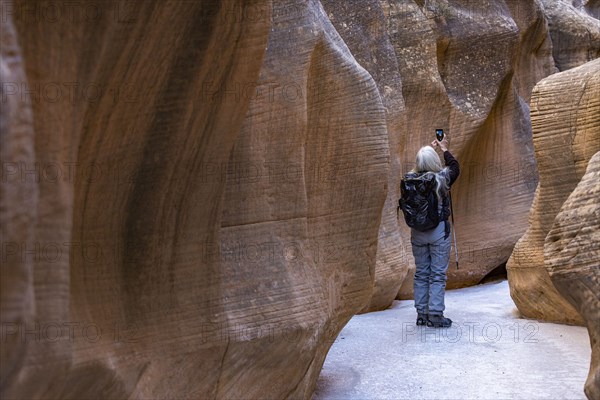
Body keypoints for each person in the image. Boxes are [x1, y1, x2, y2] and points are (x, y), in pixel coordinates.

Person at [409, 135, 459, 328]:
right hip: (438, 232)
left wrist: (428, 151)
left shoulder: (409, 180)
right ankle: (435, 315)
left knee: (421, 273)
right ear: (434, 162)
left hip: (417, 233)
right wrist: (443, 148)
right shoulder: (441, 179)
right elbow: (455, 167)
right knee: (437, 274)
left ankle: (421, 314)